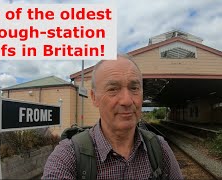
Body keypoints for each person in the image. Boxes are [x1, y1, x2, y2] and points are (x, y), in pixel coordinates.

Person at [42, 55, 183, 179]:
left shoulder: (159, 149)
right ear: (94, 98)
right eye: (113, 89)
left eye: (134, 88)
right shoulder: (68, 157)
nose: (127, 101)